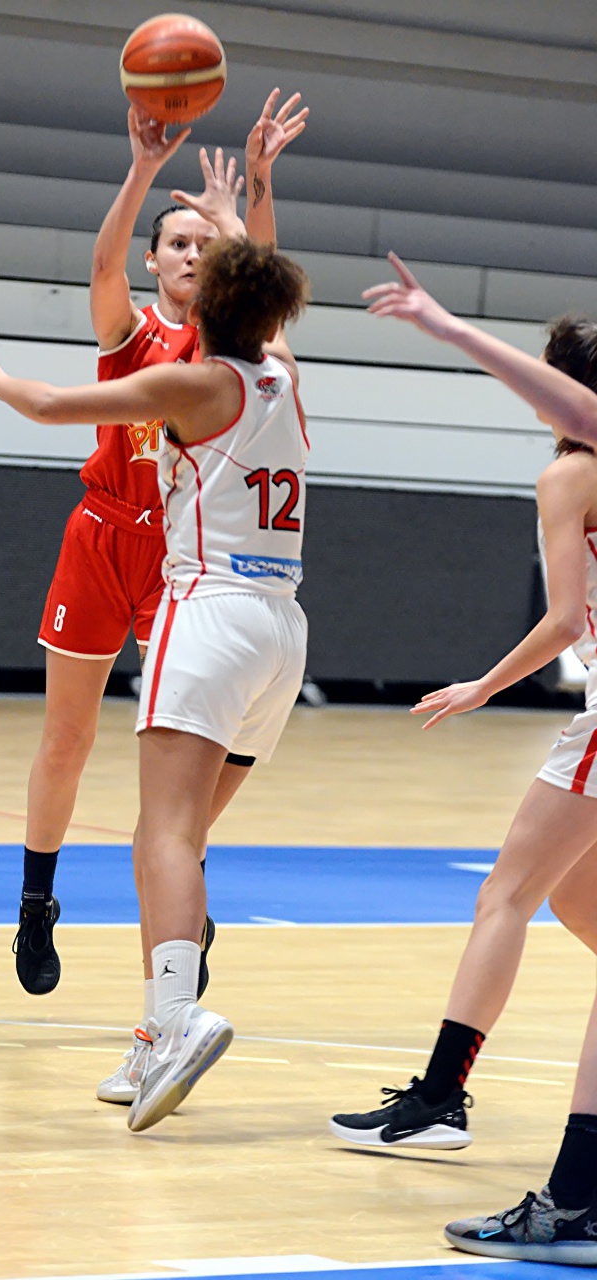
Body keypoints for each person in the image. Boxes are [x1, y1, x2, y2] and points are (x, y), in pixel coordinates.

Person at [0, 210, 312, 1132]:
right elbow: (266, 304)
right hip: (284, 628)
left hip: (208, 610)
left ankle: (177, 1017)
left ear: (213, 298)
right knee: (170, 839)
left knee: (165, 837)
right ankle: (156, 1031)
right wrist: (247, 205)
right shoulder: (285, 377)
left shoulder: (192, 382)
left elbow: (48, 406)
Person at [10, 89, 307, 1046]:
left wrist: (254, 194)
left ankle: (179, 936)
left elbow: (264, 281)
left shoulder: (232, 357)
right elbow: (105, 267)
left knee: (180, 779)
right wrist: (143, 169)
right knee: (69, 738)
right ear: (154, 260)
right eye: (174, 244)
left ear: (221, 273)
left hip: (188, 568)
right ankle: (37, 900)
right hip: (107, 538)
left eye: (203, 246)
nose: (189, 255)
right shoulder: (142, 341)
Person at [329, 253, 597, 1264]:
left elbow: (566, 619)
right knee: (569, 899)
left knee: (507, 893)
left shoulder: (570, 470)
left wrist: (484, 684)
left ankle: (461, 1109)